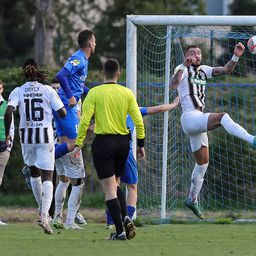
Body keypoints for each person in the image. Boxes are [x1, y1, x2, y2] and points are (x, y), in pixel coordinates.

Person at [170, 42, 256, 219]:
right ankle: (252, 140)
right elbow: (173, 84)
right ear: (186, 56)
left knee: (203, 163)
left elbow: (225, 70)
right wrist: (183, 65)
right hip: (190, 117)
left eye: (199, 52)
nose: (196, 55)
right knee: (222, 117)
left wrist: (236, 55)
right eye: (192, 52)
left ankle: (192, 199)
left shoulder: (203, 70)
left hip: (197, 121)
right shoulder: (182, 69)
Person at [75, 58, 145, 240]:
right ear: (119, 74)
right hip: (123, 143)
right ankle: (126, 217)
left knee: (109, 189)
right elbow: (138, 120)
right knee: (115, 184)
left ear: (102, 73)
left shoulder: (95, 93)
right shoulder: (127, 93)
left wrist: (79, 142)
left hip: (104, 143)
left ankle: (120, 231)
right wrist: (141, 144)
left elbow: (84, 121)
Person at [4, 59, 66, 234]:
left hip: (27, 138)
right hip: (45, 138)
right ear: (38, 72)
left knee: (34, 173)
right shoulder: (47, 90)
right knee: (48, 176)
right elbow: (62, 113)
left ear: (23, 73)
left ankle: (41, 210)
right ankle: (45, 215)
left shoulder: (18, 91)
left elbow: (9, 112)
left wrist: (8, 132)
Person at [105, 97, 180, 228]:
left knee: (113, 186)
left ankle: (111, 222)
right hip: (125, 150)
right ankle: (127, 220)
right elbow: (160, 108)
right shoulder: (135, 110)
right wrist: (174, 104)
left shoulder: (110, 110)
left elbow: (95, 127)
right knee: (132, 187)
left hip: (109, 149)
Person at [54, 29, 95, 159]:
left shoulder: (83, 59)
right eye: (94, 42)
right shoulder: (79, 59)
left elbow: (79, 84)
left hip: (63, 104)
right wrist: (71, 96)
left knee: (64, 144)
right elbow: (61, 75)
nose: (95, 45)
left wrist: (93, 93)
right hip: (66, 105)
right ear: (89, 44)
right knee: (76, 141)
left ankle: (61, 179)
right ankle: (38, 163)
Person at [0, 80, 14, 225]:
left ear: (2, 89)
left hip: (3, 147)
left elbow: (12, 128)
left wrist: (9, 146)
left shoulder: (6, 106)